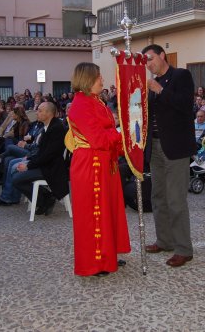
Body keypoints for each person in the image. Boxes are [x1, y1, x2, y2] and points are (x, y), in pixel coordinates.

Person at [67, 62, 130, 277]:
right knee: (94, 214)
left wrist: (122, 139)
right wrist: (123, 136)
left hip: (104, 162)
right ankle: (94, 263)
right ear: (87, 80)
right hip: (91, 164)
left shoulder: (95, 101)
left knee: (106, 210)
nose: (102, 80)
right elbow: (98, 138)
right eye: (99, 77)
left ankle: (107, 254)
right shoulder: (81, 104)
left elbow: (108, 132)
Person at [142, 44, 195, 268]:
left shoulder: (181, 75)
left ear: (162, 56)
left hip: (175, 147)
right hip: (155, 146)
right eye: (145, 61)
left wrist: (159, 90)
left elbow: (185, 105)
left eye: (150, 59)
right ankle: (165, 240)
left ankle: (184, 249)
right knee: (158, 197)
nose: (149, 64)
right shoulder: (152, 84)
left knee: (176, 200)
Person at [11, 102, 69, 215]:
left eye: (40, 110)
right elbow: (42, 152)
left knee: (16, 179)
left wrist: (28, 165)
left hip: (52, 168)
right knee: (16, 173)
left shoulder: (56, 128)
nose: (37, 113)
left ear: (49, 113)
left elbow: (48, 155)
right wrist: (29, 161)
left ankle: (45, 199)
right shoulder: (48, 126)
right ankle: (46, 198)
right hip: (46, 164)